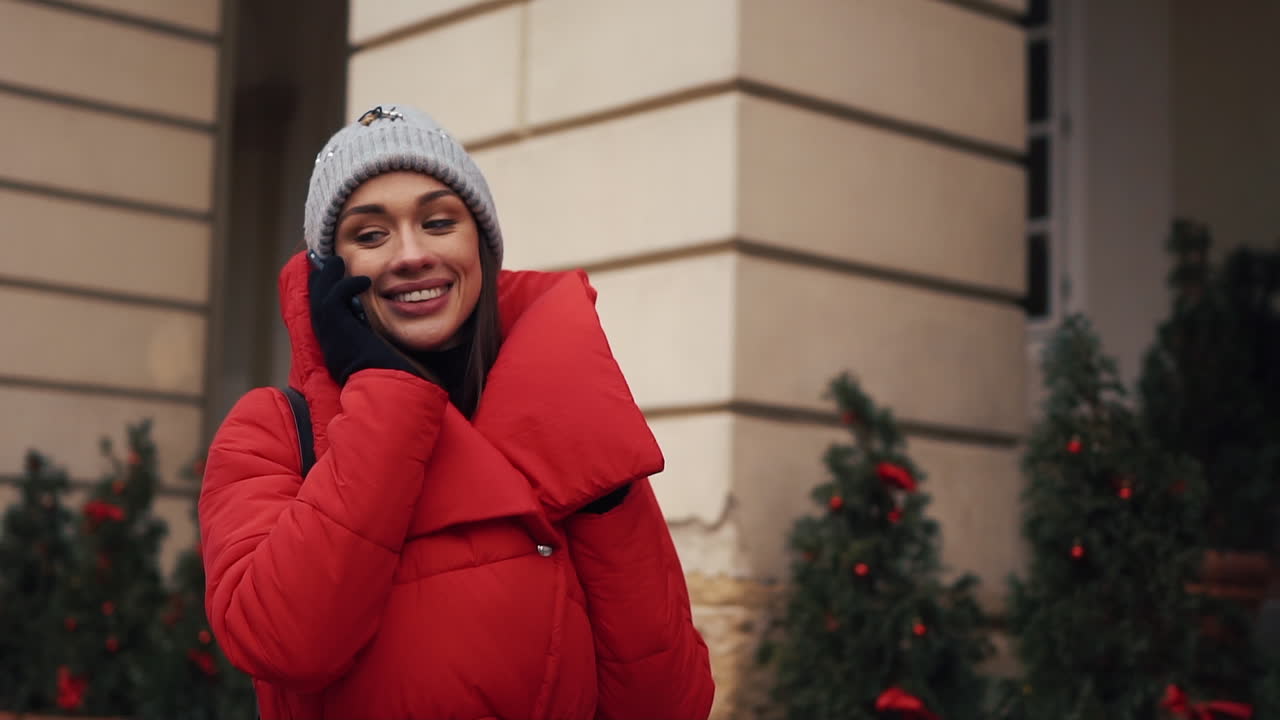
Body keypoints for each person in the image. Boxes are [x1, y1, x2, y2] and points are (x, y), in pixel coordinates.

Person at [198, 103, 715, 720]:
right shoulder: (271, 431)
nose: (411, 254)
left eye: (439, 222)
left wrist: (597, 481)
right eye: (370, 234)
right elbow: (283, 643)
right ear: (325, 275)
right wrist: (383, 391)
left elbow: (670, 704)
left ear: (481, 247)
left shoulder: (568, 417)